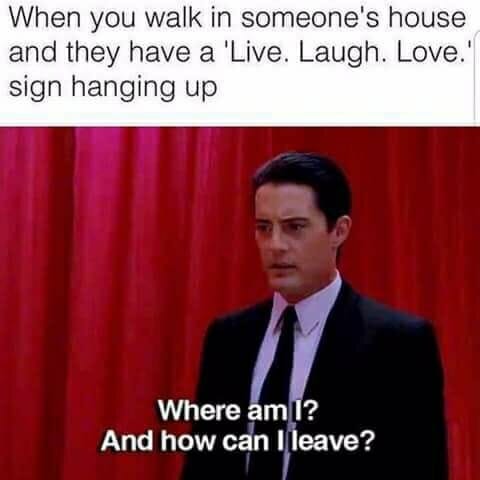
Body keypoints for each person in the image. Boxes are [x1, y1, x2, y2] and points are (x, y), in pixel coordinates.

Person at [181, 152, 448, 480]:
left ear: (339, 230)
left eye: (294, 227)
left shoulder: (399, 344)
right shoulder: (228, 338)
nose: (275, 245)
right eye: (264, 227)